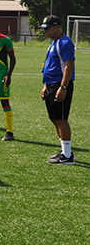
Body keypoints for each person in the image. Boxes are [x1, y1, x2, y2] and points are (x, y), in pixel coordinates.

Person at [40, 15, 76, 164]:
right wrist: (45, 86)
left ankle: (68, 156)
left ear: (56, 27)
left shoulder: (65, 42)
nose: (45, 31)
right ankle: (64, 151)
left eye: (47, 28)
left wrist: (63, 87)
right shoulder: (54, 43)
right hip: (51, 85)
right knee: (54, 118)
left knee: (61, 119)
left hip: (59, 85)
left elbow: (69, 65)